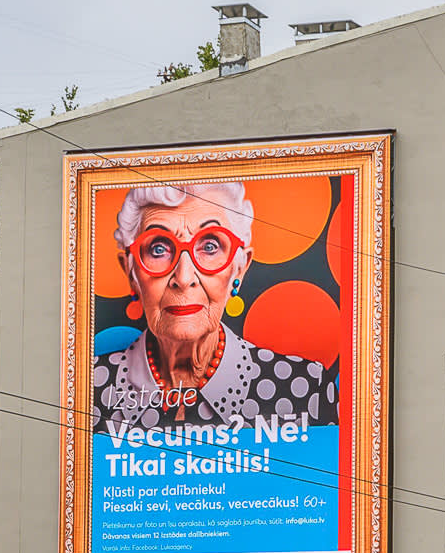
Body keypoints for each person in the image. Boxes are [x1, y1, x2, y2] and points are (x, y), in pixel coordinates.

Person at [92, 182, 338, 433]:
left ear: (239, 269)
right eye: (159, 249)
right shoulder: (86, 391)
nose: (184, 277)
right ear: (131, 272)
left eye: (209, 247)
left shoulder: (305, 392)